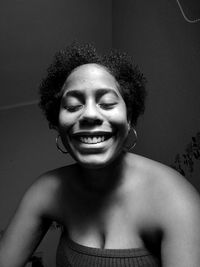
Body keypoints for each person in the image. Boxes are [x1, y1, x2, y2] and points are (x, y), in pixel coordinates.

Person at [0, 42, 200, 267]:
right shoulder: (47, 190)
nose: (90, 115)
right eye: (73, 106)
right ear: (57, 124)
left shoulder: (176, 200)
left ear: (129, 117)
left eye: (106, 103)